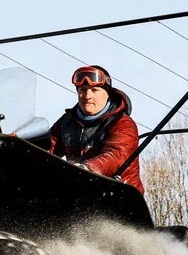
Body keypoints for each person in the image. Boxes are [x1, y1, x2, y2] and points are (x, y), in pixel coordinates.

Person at [47, 65, 144, 194]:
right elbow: (47, 147)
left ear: (107, 94)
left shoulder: (122, 124)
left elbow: (116, 155)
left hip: (119, 196)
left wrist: (86, 169)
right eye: (82, 90)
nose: (87, 96)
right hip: (80, 194)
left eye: (95, 90)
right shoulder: (67, 121)